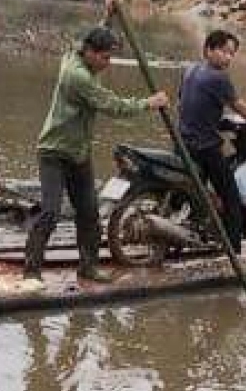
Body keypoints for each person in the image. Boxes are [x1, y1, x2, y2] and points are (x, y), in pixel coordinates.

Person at [24, 14, 168, 285]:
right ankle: (31, 270)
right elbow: (114, 106)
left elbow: (95, 35)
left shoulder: (77, 54)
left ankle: (87, 268)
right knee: (50, 211)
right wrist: (149, 103)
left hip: (79, 152)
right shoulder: (77, 76)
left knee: (89, 213)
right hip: (54, 153)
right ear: (89, 53)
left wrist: (109, 16)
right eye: (104, 58)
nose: (107, 64)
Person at [177, 29, 246, 254]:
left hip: (184, 143)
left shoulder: (191, 70)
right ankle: (232, 251)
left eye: (232, 53)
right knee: (232, 197)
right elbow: (242, 108)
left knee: (202, 192)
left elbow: (189, 104)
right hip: (204, 148)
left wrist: (221, 121)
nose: (229, 57)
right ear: (208, 50)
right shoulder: (219, 78)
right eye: (224, 51)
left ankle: (201, 226)